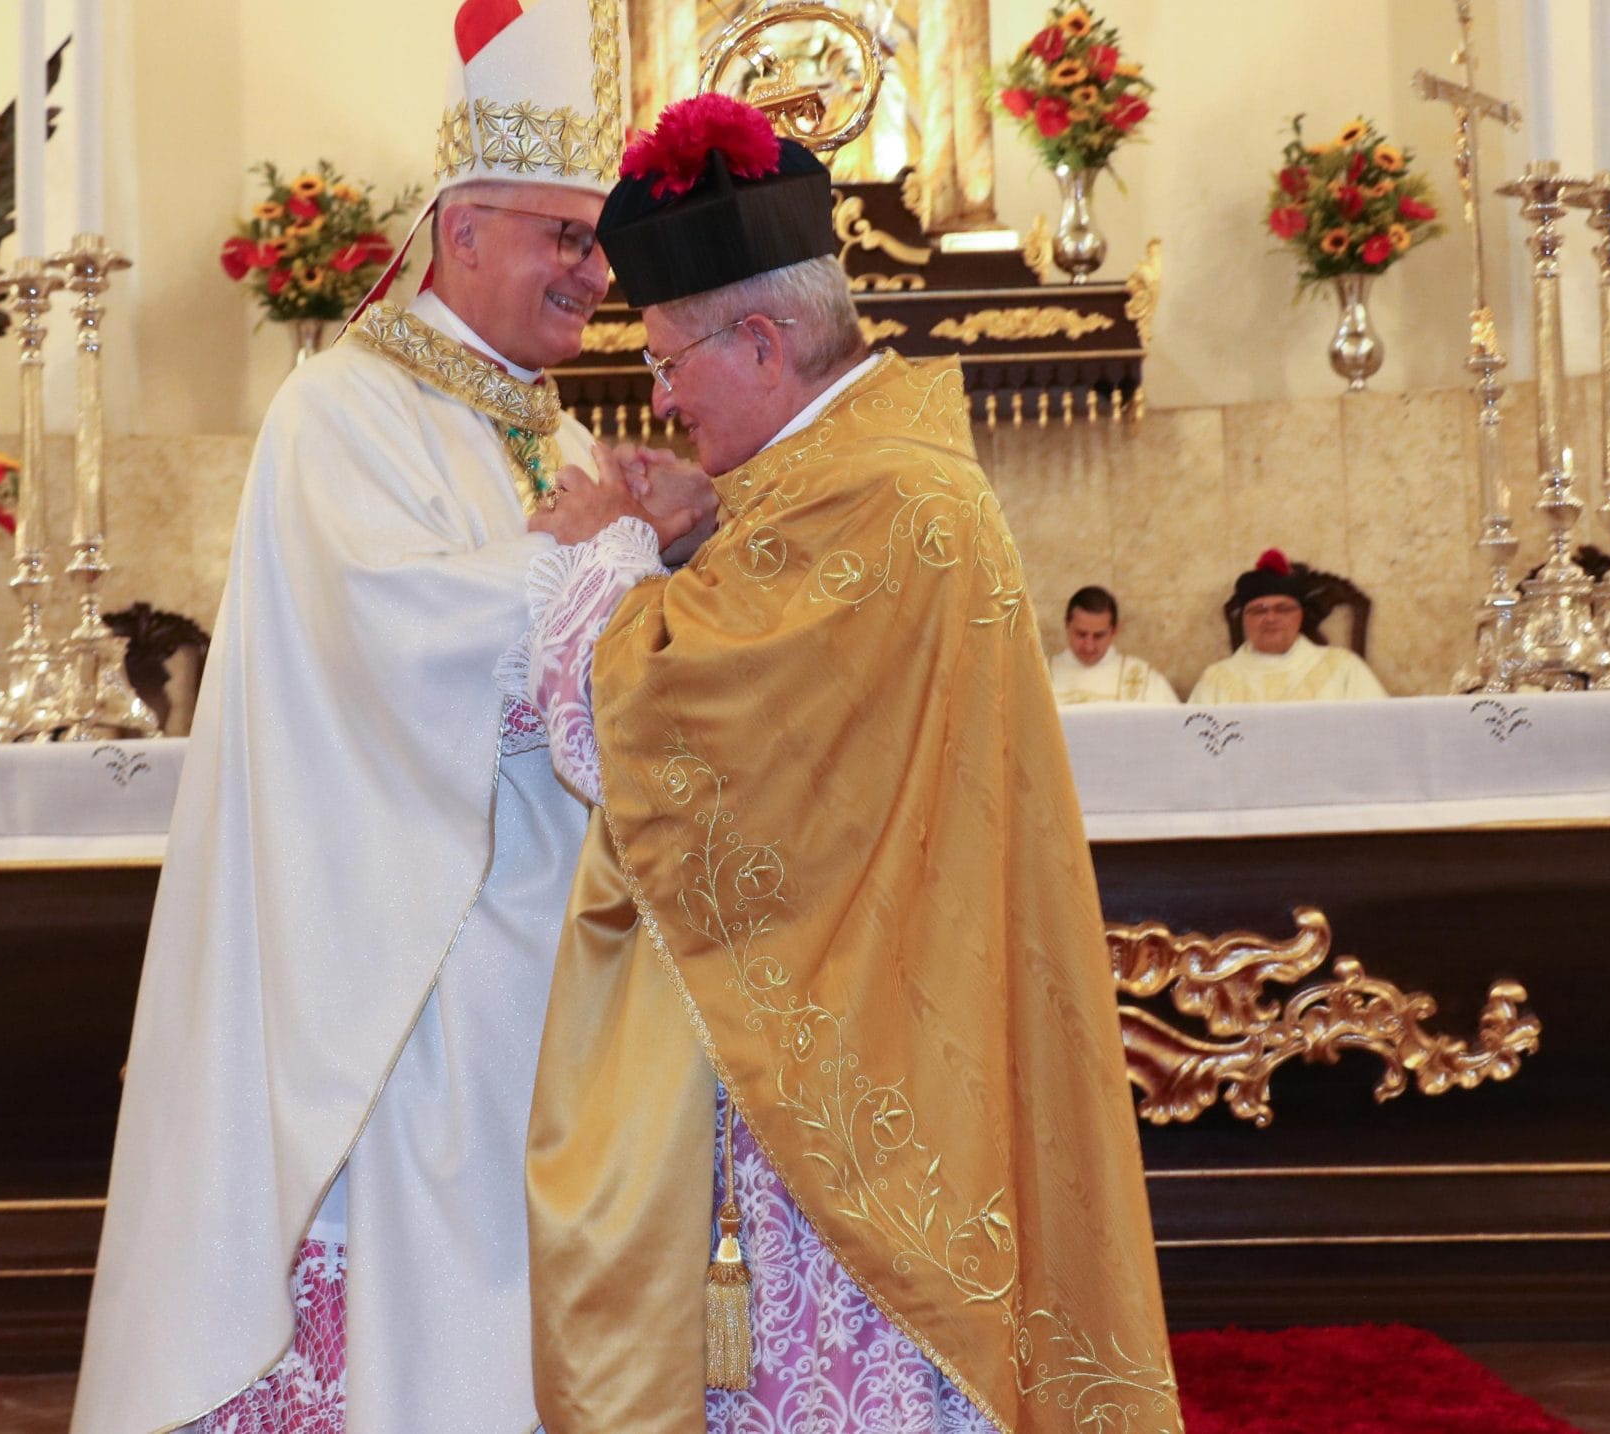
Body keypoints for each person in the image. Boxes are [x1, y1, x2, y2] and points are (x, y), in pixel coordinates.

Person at [74, 0, 690, 1434]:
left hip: (545, 945)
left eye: (600, 246)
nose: (596, 275)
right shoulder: (340, 410)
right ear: (458, 230)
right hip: (410, 958)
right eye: (565, 238)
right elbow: (389, 640)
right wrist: (598, 552)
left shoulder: (551, 424)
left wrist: (672, 549)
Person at [513, 94, 1179, 1433]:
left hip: (867, 1097)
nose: (654, 394)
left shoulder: (879, 498)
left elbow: (650, 715)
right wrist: (694, 538)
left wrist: (598, 552)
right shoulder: (853, 473)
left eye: (663, 358)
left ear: (759, 339)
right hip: (881, 1028)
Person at [1188, 548, 1389, 704]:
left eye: (1282, 609)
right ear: (1244, 618)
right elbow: (1193, 747)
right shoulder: (1216, 679)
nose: (1270, 618)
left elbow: (1379, 732)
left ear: (1299, 616)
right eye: (1259, 610)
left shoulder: (1344, 667)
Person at [1051, 584, 1178, 705]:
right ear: (1067, 626)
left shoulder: (1145, 680)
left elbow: (1174, 725)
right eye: (1081, 634)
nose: (1089, 646)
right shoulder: (1039, 679)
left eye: (1098, 636)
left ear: (1114, 631)